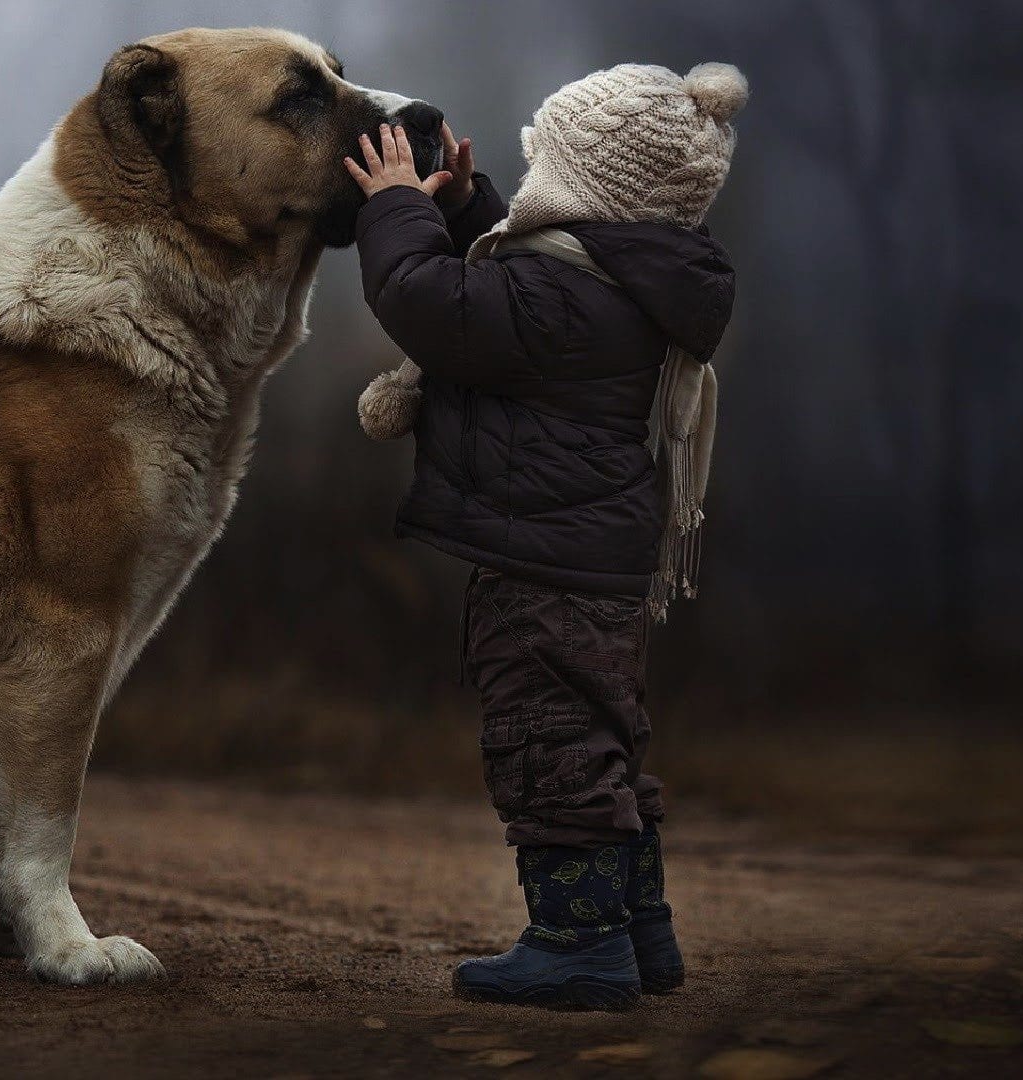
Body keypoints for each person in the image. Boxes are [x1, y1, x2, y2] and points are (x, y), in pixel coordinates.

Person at [341, 62, 747, 1008]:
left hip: (544, 565)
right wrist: (462, 204)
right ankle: (639, 932)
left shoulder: (564, 300)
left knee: (547, 743)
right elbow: (506, 280)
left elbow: (428, 301)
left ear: (587, 184)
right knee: (600, 738)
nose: (529, 185)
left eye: (543, 164)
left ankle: (577, 945)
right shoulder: (617, 279)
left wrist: (395, 209)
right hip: (592, 559)